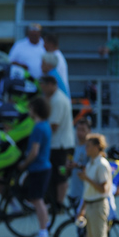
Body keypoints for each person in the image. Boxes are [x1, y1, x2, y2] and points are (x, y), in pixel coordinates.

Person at [77, 133, 112, 237]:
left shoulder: (102, 164)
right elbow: (88, 192)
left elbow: (103, 188)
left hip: (98, 204)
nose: (87, 148)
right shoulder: (91, 164)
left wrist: (87, 179)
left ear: (97, 147)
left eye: (89, 145)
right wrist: (82, 209)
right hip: (90, 204)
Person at [17, 97, 53, 237]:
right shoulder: (44, 125)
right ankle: (45, 224)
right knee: (38, 200)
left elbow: (34, 152)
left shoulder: (38, 128)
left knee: (37, 200)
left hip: (39, 168)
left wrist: (24, 164)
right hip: (43, 167)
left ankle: (43, 232)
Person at [42, 74, 74, 213]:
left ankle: (59, 204)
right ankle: (54, 202)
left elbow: (54, 125)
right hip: (57, 146)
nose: (41, 88)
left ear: (50, 85)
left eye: (43, 85)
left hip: (61, 147)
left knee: (61, 175)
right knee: (55, 175)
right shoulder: (54, 98)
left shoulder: (58, 100)